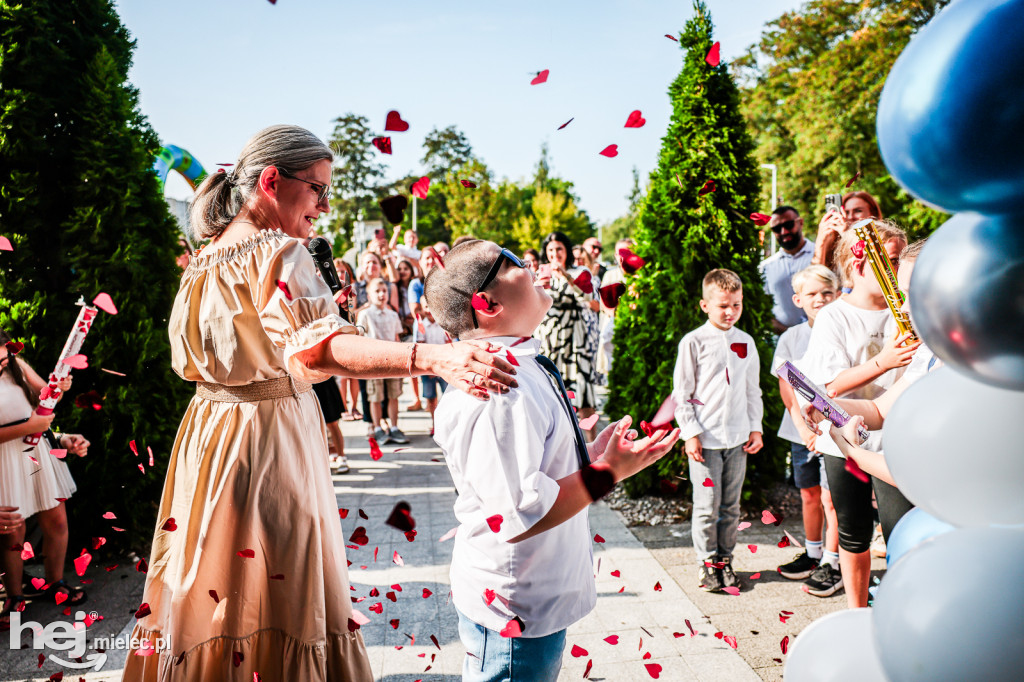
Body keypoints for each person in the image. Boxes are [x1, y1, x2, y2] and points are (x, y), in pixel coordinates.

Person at [122, 125, 516, 681]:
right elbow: (316, 353)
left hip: (208, 440)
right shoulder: (281, 252)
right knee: (281, 589)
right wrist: (432, 358)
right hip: (269, 439)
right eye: (318, 190)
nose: (326, 208)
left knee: (216, 589)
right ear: (271, 181)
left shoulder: (206, 258)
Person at [425, 239, 680, 681]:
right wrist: (609, 472)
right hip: (514, 611)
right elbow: (522, 513)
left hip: (532, 596)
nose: (532, 265)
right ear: (487, 303)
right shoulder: (499, 387)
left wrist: (595, 454)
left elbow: (536, 471)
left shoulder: (520, 363)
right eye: (515, 263)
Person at [799, 222, 918, 609]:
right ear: (861, 260)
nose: (897, 271)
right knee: (853, 531)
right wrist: (882, 363)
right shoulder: (835, 316)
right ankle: (856, 611)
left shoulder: (908, 310)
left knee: (901, 530)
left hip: (896, 441)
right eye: (893, 260)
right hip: (844, 441)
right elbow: (829, 386)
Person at [804, 240, 937, 488]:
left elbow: (919, 477)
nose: (904, 307)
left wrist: (852, 452)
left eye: (910, 294)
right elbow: (878, 411)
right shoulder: (930, 352)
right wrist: (826, 408)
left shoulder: (960, 363)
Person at [672, 269, 764, 593]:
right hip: (706, 441)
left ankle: (725, 560)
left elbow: (753, 390)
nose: (730, 312)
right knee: (707, 503)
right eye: (723, 305)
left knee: (731, 505)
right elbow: (681, 393)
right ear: (705, 305)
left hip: (737, 439)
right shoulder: (693, 342)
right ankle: (706, 562)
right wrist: (690, 433)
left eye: (736, 305)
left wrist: (756, 428)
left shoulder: (746, 342)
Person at [0, 332, 91, 627]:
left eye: (4, 358)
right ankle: (14, 595)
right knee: (14, 530)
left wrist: (60, 387)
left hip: (36, 447)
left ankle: (55, 581)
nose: (2, 365)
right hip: (4, 458)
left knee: (57, 521)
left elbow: (47, 396)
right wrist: (31, 424)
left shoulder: (16, 363)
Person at [771, 266, 843, 596]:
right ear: (798, 300)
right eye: (812, 294)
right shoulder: (791, 338)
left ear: (838, 295)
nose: (820, 299)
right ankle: (813, 553)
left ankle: (833, 561)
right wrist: (802, 428)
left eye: (826, 293)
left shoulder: (843, 332)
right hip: (801, 431)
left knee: (832, 497)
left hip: (834, 432)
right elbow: (786, 386)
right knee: (809, 493)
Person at [537, 231, 600, 439]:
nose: (555, 254)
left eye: (559, 249)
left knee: (583, 397)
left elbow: (589, 298)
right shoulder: (540, 272)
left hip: (575, 341)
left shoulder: (580, 271)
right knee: (553, 396)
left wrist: (564, 274)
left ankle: (592, 450)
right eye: (551, 249)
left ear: (566, 250)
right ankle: (561, 449)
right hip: (550, 340)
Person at [357, 278, 409, 445]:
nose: (381, 294)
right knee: (375, 397)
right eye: (377, 291)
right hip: (373, 363)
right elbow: (360, 336)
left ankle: (394, 427)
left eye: (384, 291)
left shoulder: (393, 315)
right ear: (369, 295)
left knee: (394, 395)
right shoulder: (365, 314)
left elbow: (396, 338)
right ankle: (378, 428)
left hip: (392, 362)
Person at [759, 205, 816, 334]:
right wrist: (787, 333)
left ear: (800, 223)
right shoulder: (766, 267)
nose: (784, 232)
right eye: (777, 229)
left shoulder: (820, 254)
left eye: (789, 225)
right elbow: (763, 308)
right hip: (782, 341)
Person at [813, 191, 884, 275]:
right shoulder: (834, 244)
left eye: (857, 211)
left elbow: (871, 267)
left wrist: (847, 235)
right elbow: (815, 276)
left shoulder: (883, 238)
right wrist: (821, 241)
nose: (850, 217)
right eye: (846, 212)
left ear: (872, 214)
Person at [597, 238, 634, 374]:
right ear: (616, 256)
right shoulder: (610, 275)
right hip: (614, 324)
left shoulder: (639, 274)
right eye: (621, 253)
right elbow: (603, 302)